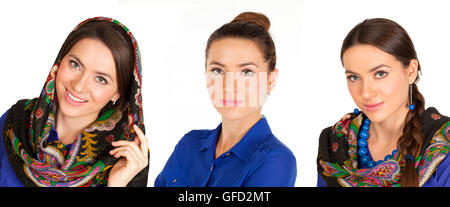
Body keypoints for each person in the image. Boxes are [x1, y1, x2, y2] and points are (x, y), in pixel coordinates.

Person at [0, 17, 149, 187]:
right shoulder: (17, 120)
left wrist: (116, 184)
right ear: (60, 61)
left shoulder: (126, 158)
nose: (78, 86)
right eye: (75, 64)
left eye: (100, 79)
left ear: (119, 93)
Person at [155, 12, 296, 187]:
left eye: (247, 72)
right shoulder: (189, 145)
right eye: (218, 71)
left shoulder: (277, 160)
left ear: (270, 80)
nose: (229, 86)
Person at [317, 18, 449, 187]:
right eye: (354, 77)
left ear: (411, 71)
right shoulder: (334, 144)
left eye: (380, 74)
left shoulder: (443, 148)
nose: (365, 92)